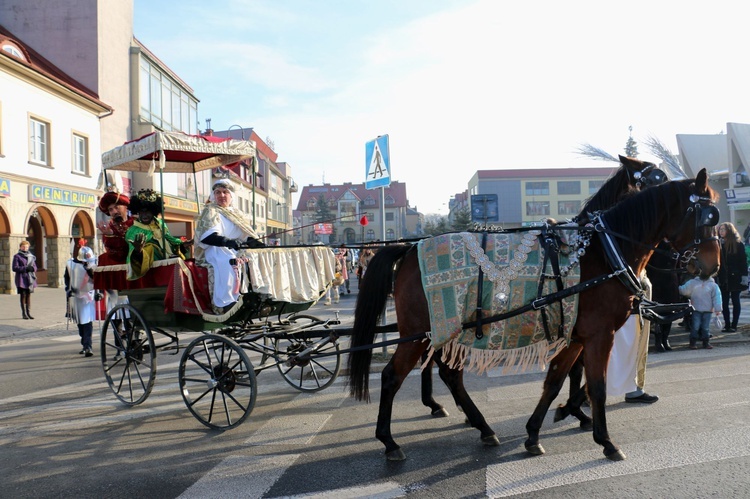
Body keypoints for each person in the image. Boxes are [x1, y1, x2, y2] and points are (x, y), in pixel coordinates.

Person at [194, 179, 264, 312]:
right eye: (218, 192)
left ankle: (254, 296)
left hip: (234, 249)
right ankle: (226, 302)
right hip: (214, 250)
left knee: (253, 260)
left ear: (231, 196)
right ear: (213, 195)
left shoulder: (236, 213)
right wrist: (227, 242)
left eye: (225, 192)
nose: (221, 195)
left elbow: (245, 235)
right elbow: (207, 236)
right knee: (228, 262)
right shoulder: (210, 211)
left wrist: (257, 243)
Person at [607, 275, 659, 403]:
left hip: (637, 314)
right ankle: (593, 391)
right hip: (620, 313)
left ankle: (633, 389)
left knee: (634, 352)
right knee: (611, 354)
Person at [125, 189, 193, 280]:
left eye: (148, 211)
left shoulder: (160, 224)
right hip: (149, 275)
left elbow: (170, 242)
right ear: (138, 212)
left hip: (167, 269)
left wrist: (182, 245)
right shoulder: (133, 231)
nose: (144, 215)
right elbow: (132, 255)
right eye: (142, 212)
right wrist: (138, 251)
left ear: (153, 211)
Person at [64, 242, 98, 357]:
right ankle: (84, 343)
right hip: (75, 295)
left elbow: (96, 279)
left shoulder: (93, 264)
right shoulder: (70, 264)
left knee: (87, 321)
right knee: (80, 322)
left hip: (88, 295)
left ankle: (88, 346)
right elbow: (67, 278)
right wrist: (67, 289)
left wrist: (99, 292)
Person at [717, 222, 747, 332]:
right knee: (724, 303)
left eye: (723, 229)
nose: (721, 232)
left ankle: (734, 325)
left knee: (735, 301)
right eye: (720, 230)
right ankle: (727, 325)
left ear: (729, 230)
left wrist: (744, 276)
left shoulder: (738, 244)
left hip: (735, 276)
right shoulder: (718, 244)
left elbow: (743, 261)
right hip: (723, 277)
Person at [679, 274, 722, 349]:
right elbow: (717, 298)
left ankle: (693, 343)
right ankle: (705, 343)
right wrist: (718, 309)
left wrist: (678, 287)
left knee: (696, 327)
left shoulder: (693, 282)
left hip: (697, 308)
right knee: (705, 327)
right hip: (707, 309)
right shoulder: (713, 285)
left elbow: (683, 290)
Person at [96, 191, 134, 266]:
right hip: (118, 269)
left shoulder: (136, 224)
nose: (114, 212)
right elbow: (117, 255)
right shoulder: (108, 229)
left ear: (125, 207)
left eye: (117, 207)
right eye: (111, 210)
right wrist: (110, 236)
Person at [12, 240, 37, 320]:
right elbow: (14, 268)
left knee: (28, 295)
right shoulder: (17, 256)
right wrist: (25, 268)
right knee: (23, 295)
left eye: (26, 246)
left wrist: (32, 268)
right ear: (20, 247)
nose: (25, 248)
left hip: (30, 278)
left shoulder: (31, 256)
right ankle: (23, 313)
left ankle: (29, 312)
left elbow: (35, 267)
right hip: (21, 279)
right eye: (23, 246)